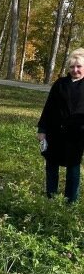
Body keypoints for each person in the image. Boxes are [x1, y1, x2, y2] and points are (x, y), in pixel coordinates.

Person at [37, 47, 84, 203]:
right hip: (54, 132)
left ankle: (71, 201)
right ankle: (51, 196)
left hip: (76, 135)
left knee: (73, 168)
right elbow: (48, 107)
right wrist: (42, 130)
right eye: (72, 67)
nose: (75, 70)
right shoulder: (60, 84)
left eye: (79, 67)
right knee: (51, 165)